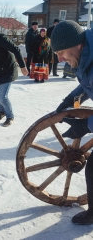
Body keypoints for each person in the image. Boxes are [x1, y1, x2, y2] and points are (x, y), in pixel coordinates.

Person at [51, 20, 93, 225]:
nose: (59, 59)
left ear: (77, 44)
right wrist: (70, 100)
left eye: (61, 52)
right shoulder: (86, 55)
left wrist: (85, 125)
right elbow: (88, 84)